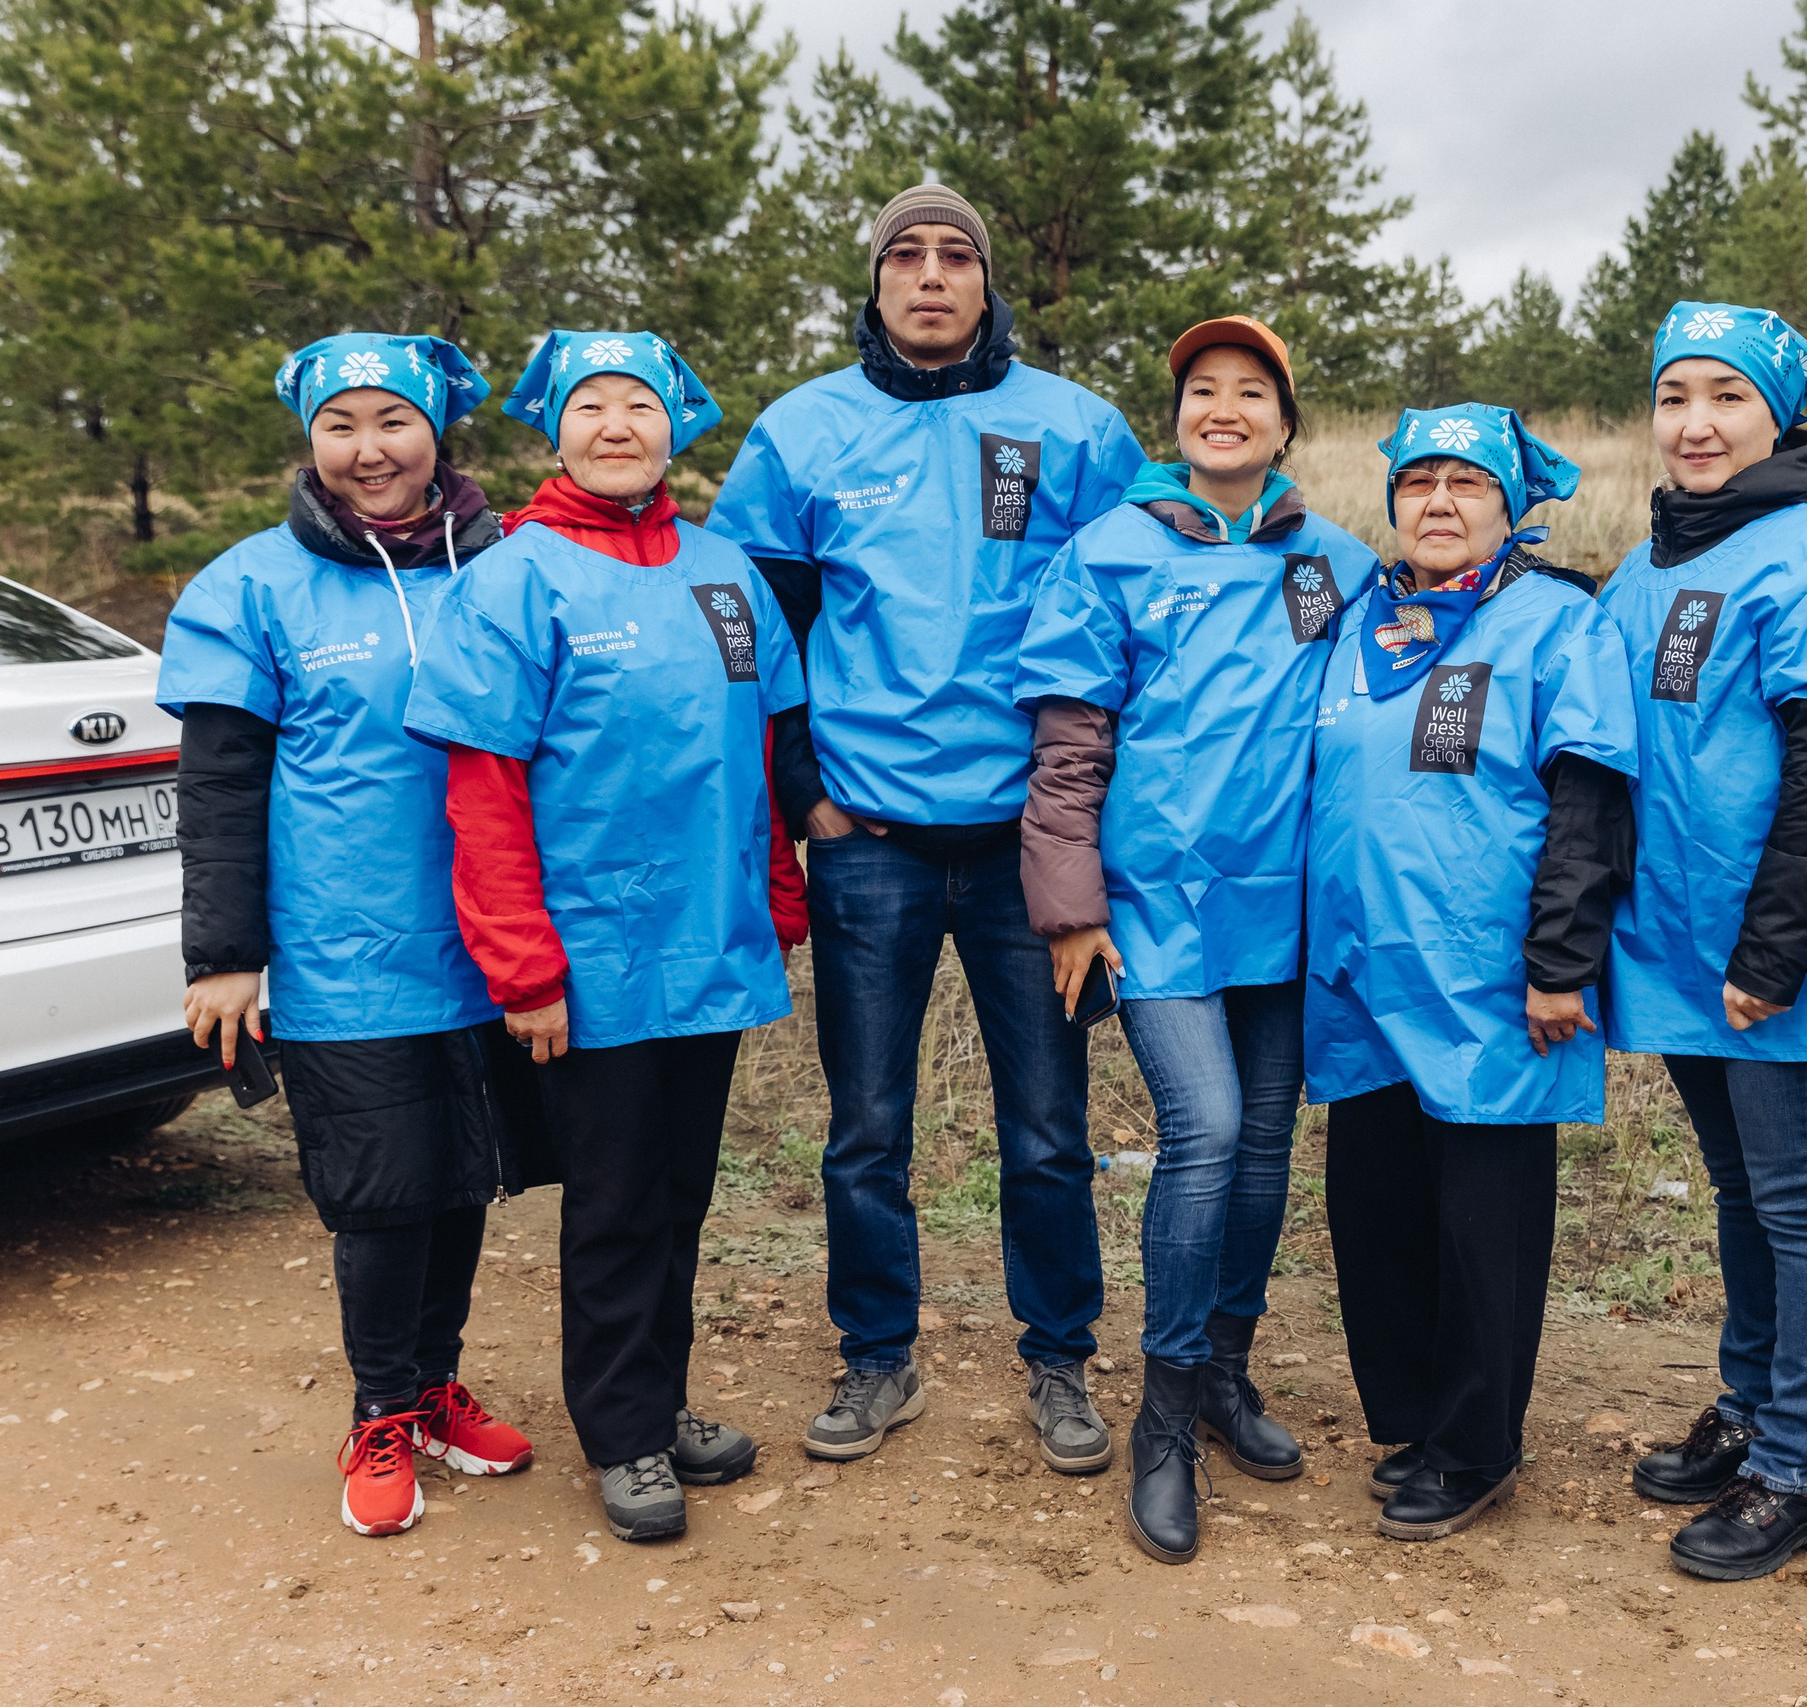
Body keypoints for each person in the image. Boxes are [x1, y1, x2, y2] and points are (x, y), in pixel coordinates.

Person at [706, 184, 1146, 1472]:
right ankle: (875, 1357)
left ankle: (1059, 1360)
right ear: (878, 281)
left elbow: (1134, 621)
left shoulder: (1076, 429)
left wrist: (1092, 818)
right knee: (867, 1126)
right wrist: (804, 800)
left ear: (987, 280)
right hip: (873, 844)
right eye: (908, 255)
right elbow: (758, 637)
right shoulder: (801, 433)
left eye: (957, 255)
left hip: (1029, 851)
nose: (933, 276)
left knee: (1049, 1128)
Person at [404, 329, 806, 1544]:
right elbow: (481, 789)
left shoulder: (726, 571)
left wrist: (781, 905)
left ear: (675, 424)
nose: (617, 426)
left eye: (639, 405)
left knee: (683, 1193)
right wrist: (521, 967)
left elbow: (770, 752)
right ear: (555, 428)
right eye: (592, 407)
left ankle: (660, 1400)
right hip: (590, 960)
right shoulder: (513, 578)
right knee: (619, 1201)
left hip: (712, 947)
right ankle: (623, 1433)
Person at [162, 332, 538, 1539]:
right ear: (310, 440)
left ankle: (434, 1390)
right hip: (345, 954)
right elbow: (221, 789)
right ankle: (379, 1412)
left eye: (392, 421)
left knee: (465, 1181)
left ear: (437, 432)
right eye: (341, 426)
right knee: (382, 1195)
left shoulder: (505, 569)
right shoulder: (253, 586)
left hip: (489, 944)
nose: (368, 449)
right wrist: (223, 955)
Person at [1014, 315, 1378, 1563]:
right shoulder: (1107, 551)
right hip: (1158, 899)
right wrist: (1069, 907)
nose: (1224, 408)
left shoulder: (1333, 560)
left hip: (1288, 904)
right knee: (1207, 1130)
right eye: (1201, 391)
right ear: (1175, 420)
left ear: (1285, 423)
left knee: (1269, 1146)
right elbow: (1067, 751)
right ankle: (1163, 1417)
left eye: (1251, 392)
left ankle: (1227, 1371)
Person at [1599, 304, 1807, 1581]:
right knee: (1740, 1189)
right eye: (1675, 395)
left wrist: (1773, 953)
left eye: (1725, 398)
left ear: (1777, 418)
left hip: (1762, 953)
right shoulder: (1650, 562)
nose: (1694, 422)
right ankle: (1747, 1408)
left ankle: (1799, 1468)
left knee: (1797, 1197)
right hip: (1675, 943)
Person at [1307, 403, 1639, 1542]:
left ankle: (1477, 1445)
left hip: (1490, 982)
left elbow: (1589, 801)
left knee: (1479, 1225)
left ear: (1510, 508)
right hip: (1361, 974)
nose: (1438, 504)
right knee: (1376, 1210)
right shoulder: (1363, 620)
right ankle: (1411, 1422)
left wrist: (1561, 964)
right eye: (1418, 483)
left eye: (1467, 485)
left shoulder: (1555, 622)